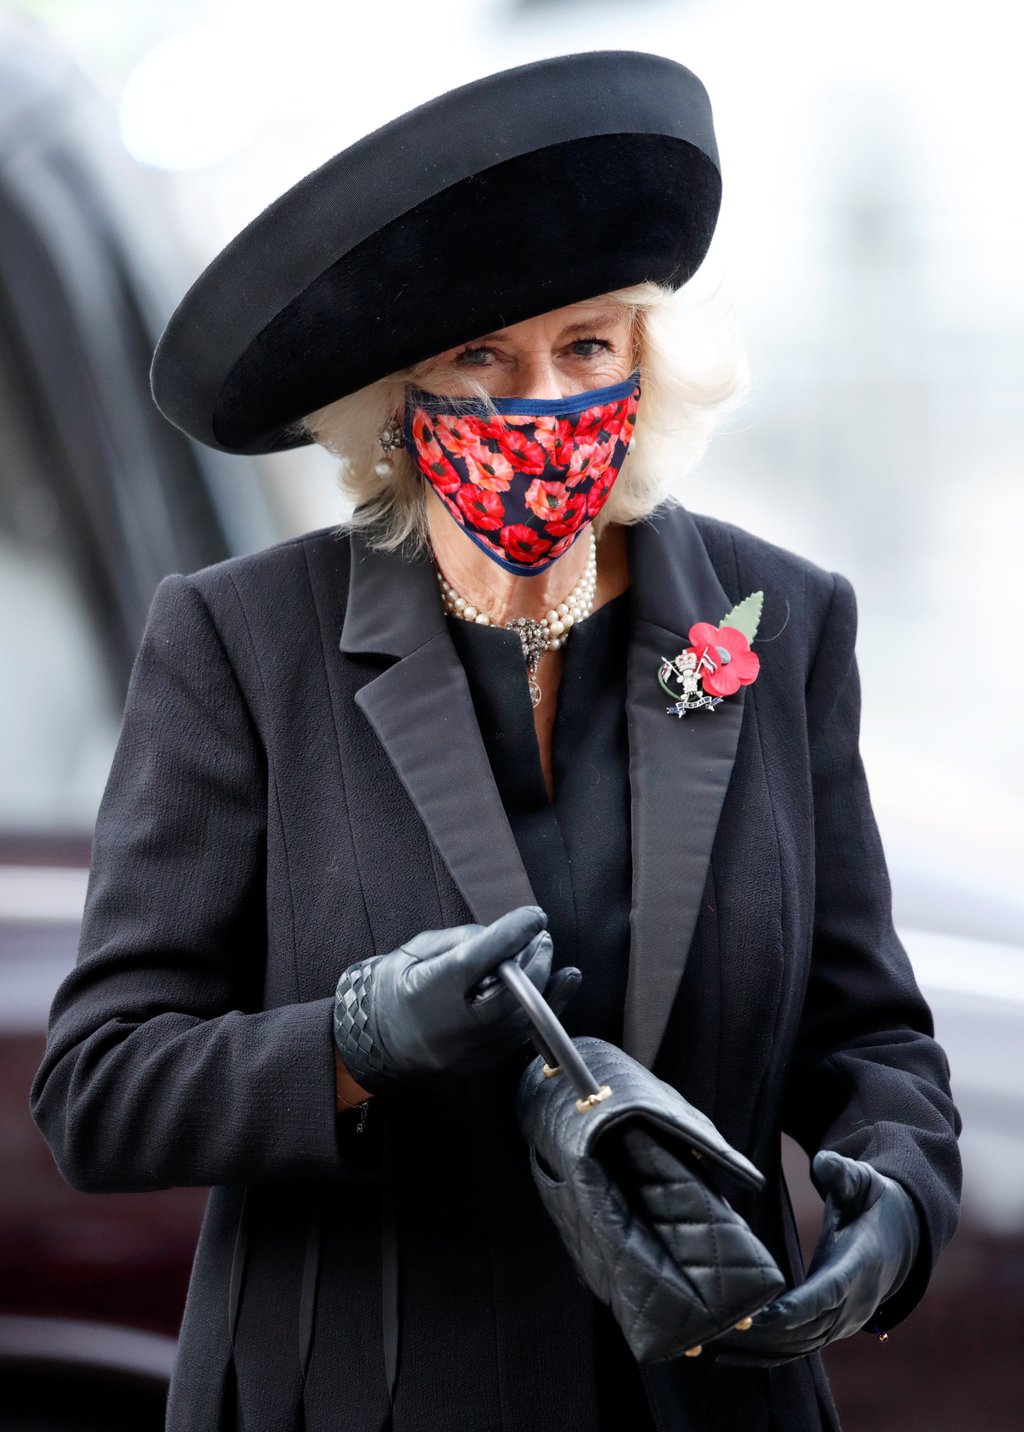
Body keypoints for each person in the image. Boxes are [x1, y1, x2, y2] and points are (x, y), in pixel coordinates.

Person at [29, 50, 962, 1432]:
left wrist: (900, 1205)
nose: (540, 398)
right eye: (482, 357)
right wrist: (355, 1040)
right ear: (399, 401)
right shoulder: (242, 643)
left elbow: (869, 1031)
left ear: (644, 362)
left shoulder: (784, 623)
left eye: (585, 347)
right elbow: (98, 1091)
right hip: (367, 1397)